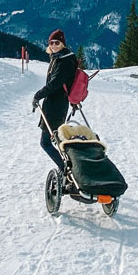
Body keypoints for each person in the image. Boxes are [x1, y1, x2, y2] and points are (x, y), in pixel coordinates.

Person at [32, 29, 78, 171]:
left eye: (57, 42)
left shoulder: (64, 61)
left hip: (56, 106)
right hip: (55, 104)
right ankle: (72, 165)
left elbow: (55, 83)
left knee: (45, 142)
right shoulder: (59, 57)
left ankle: (65, 168)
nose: (53, 45)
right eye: (51, 43)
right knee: (56, 138)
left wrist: (38, 95)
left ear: (63, 43)